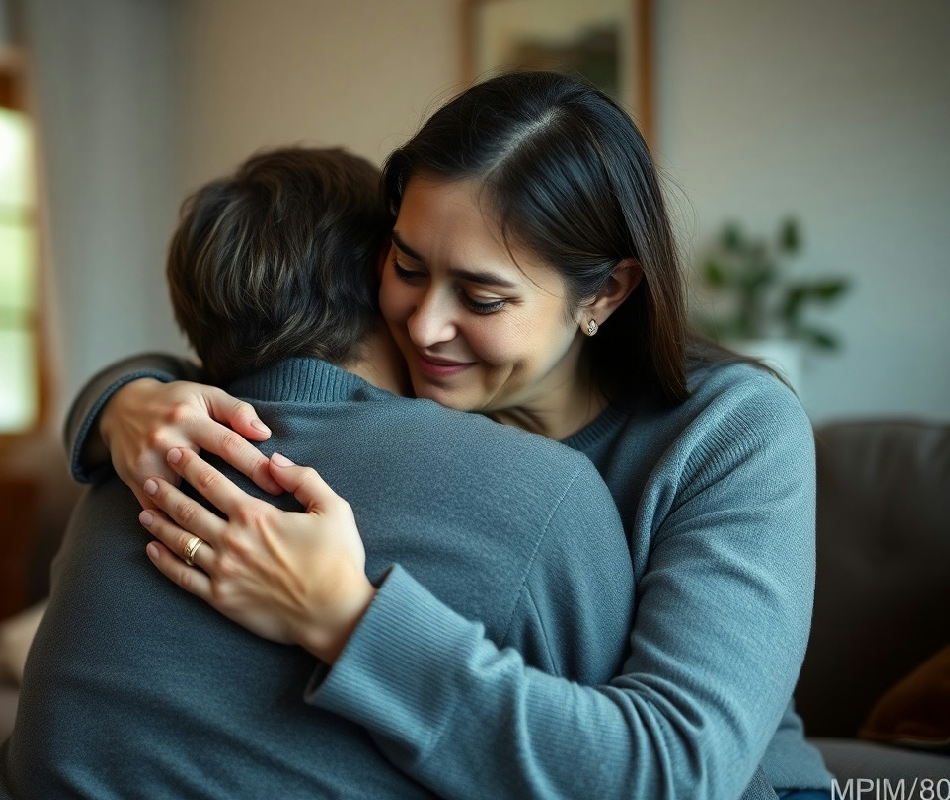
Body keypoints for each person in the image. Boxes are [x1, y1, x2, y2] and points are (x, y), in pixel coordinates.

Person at [69, 72, 832, 799]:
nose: (424, 325)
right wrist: (123, 399)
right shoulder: (419, 388)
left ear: (605, 290)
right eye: (407, 265)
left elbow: (679, 773)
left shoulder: (733, 432)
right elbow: (258, 362)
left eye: (481, 296)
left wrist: (345, 619)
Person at [0, 147, 642, 799]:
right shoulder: (547, 492)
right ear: (376, 275)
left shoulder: (126, 472)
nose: (432, 319)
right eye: (411, 267)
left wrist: (118, 397)